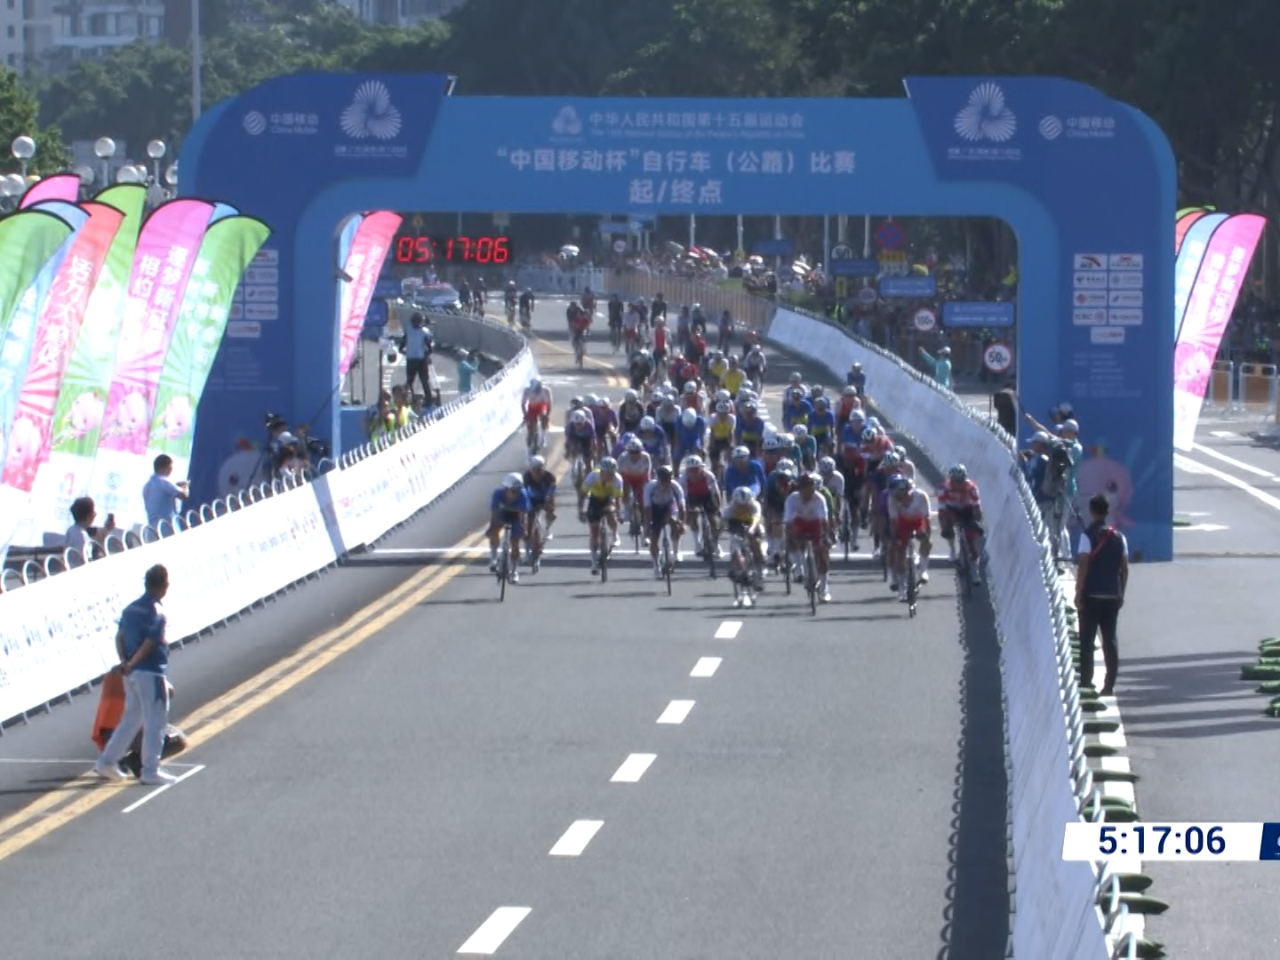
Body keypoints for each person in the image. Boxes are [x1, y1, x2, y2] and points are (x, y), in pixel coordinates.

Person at [94, 564, 178, 785]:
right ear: (164, 585)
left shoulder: (130, 609)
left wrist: (124, 662)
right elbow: (151, 643)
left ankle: (107, 760)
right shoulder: (158, 613)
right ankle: (151, 769)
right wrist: (133, 663)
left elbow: (119, 636)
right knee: (155, 721)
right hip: (150, 671)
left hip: (130, 674)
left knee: (130, 719)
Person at [1076, 494, 1128, 696]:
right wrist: (1121, 591)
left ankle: (1086, 682)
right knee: (1110, 641)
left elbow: (1083, 565)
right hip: (1112, 595)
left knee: (1087, 640)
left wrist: (1079, 592)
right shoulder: (1119, 537)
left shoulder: (1086, 536)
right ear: (1107, 512)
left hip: (1091, 595)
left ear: (1092, 511)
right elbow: (1125, 569)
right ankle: (1109, 685)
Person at [784, 472, 831, 603]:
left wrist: (826, 537)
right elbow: (788, 520)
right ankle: (799, 566)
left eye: (809, 489)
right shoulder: (792, 498)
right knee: (793, 530)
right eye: (803, 489)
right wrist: (790, 537)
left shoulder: (819, 499)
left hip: (815, 524)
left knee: (821, 551)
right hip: (800, 523)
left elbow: (824, 521)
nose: (806, 492)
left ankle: (824, 587)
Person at [887, 475, 932, 600]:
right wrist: (895, 539)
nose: (901, 499)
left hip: (918, 520)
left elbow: (926, 520)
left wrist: (926, 539)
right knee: (899, 551)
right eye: (898, 496)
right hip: (902, 523)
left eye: (903, 496)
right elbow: (894, 522)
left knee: (926, 540)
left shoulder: (921, 497)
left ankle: (923, 570)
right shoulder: (892, 499)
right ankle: (902, 587)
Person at [937, 464, 983, 583]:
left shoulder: (971, 487)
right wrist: (944, 526)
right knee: (947, 522)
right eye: (955, 481)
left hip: (966, 510)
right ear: (951, 479)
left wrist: (977, 520)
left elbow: (976, 505)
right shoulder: (945, 487)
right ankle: (952, 549)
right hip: (951, 509)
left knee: (971, 543)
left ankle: (975, 572)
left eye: (961, 481)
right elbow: (941, 508)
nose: (958, 484)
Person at [643, 464, 686, 577]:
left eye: (668, 480)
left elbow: (682, 506)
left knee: (675, 523)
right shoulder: (650, 486)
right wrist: (649, 524)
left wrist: (681, 522)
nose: (666, 483)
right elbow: (647, 507)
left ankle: (676, 551)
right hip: (654, 508)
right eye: (663, 480)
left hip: (669, 506)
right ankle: (656, 565)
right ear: (659, 479)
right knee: (654, 537)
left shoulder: (675, 486)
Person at [583, 457, 624, 575]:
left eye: (612, 473)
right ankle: (594, 561)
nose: (610, 475)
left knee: (611, 511)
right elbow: (583, 494)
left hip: (609, 499)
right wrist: (581, 510)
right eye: (608, 473)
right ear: (602, 471)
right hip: (595, 500)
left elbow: (618, 499)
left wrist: (619, 512)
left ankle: (615, 534)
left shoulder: (618, 479)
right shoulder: (592, 476)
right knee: (594, 531)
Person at [487, 472, 530, 582]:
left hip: (516, 517)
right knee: (493, 531)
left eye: (517, 491)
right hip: (501, 515)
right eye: (513, 491)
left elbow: (522, 516)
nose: (516, 493)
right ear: (506, 488)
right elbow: (494, 514)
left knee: (515, 543)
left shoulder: (523, 495)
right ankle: (494, 558)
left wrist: (523, 528)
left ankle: (514, 571)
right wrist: (492, 528)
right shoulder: (497, 494)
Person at [722, 485, 766, 588]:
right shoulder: (731, 507)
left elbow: (756, 519)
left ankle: (759, 571)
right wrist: (723, 528)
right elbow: (724, 521)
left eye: (745, 504)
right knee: (735, 547)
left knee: (756, 543)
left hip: (753, 524)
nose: (743, 507)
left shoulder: (755, 505)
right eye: (739, 505)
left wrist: (752, 528)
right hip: (737, 526)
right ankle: (738, 569)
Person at [680, 455, 721, 559]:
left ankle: (715, 544)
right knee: (692, 517)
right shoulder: (683, 479)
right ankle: (697, 544)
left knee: (713, 520)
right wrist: (688, 511)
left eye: (696, 470)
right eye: (691, 471)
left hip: (707, 496)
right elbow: (683, 498)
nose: (694, 473)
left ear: (702, 468)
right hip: (692, 497)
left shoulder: (709, 476)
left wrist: (718, 508)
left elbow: (716, 493)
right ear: (687, 471)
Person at [142, 455, 189, 530]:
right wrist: (185, 486)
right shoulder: (165, 483)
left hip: (152, 530)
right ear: (165, 468)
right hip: (167, 529)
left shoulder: (147, 486)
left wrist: (175, 485)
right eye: (170, 467)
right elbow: (184, 497)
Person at [523, 455, 558, 550]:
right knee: (529, 520)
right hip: (532, 498)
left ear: (543, 468)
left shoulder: (550, 477)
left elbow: (552, 491)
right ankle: (529, 544)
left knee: (551, 511)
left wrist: (548, 505)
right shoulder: (526, 476)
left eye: (538, 470)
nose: (535, 472)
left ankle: (547, 529)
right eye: (533, 470)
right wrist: (528, 506)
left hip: (545, 497)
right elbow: (524, 492)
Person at [65, 496, 115, 561]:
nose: (95, 514)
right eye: (93, 512)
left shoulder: (72, 529)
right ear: (88, 516)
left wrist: (106, 529)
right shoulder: (80, 535)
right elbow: (84, 557)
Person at [400, 312, 433, 398]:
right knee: (424, 381)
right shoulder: (424, 332)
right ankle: (428, 400)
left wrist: (403, 351)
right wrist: (427, 355)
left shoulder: (408, 330)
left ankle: (407, 397)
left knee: (410, 381)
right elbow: (430, 348)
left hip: (410, 359)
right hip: (421, 360)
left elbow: (403, 343)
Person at [522, 377, 553, 451]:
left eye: (538, 389)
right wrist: (526, 415)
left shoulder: (545, 390)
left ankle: (543, 435)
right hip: (532, 407)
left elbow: (549, 404)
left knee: (544, 417)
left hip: (542, 406)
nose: (536, 391)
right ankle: (530, 444)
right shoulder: (527, 390)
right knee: (530, 428)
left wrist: (547, 416)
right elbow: (523, 404)